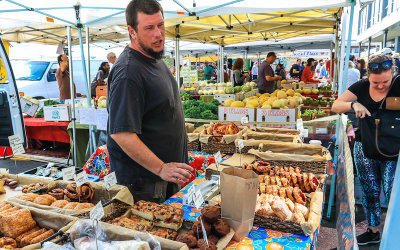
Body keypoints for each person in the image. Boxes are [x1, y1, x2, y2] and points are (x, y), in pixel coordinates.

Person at [107, 0, 193, 203]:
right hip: (144, 186)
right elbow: (122, 134)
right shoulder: (128, 72)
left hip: (163, 180)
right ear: (132, 31)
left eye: (161, 25)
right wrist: (161, 168)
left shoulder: (154, 58)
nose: (158, 34)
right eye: (149, 28)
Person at [332, 55, 400, 246]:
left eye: (385, 81)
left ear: (393, 74)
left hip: (393, 151)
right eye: (375, 82)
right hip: (365, 147)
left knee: (392, 193)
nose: (380, 86)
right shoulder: (361, 87)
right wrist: (353, 104)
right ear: (368, 76)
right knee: (370, 191)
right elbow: (336, 106)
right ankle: (372, 231)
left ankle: (395, 235)